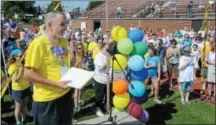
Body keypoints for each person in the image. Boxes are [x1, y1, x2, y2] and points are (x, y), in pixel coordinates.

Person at [24, 12, 74, 125]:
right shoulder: (38, 44)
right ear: (50, 25)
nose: (64, 27)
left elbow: (63, 65)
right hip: (47, 101)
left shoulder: (64, 41)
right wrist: (56, 84)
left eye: (65, 24)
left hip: (65, 96)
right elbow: (28, 74)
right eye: (61, 24)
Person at [8, 49, 30, 125]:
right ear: (15, 57)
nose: (22, 57)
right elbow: (16, 80)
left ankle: (24, 119)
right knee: (18, 106)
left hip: (26, 87)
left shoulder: (23, 63)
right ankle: (18, 121)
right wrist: (21, 71)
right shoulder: (12, 67)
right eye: (20, 56)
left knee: (24, 104)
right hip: (18, 90)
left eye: (23, 55)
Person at [93, 42, 111, 117]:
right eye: (106, 49)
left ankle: (106, 106)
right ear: (102, 48)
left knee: (107, 95)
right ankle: (97, 108)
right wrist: (106, 62)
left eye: (108, 49)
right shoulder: (98, 57)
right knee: (99, 96)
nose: (108, 50)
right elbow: (100, 67)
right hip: (100, 80)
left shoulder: (109, 55)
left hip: (108, 80)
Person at [74, 43, 85, 111]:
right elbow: (74, 66)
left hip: (82, 73)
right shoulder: (76, 55)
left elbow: (84, 65)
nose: (79, 49)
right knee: (76, 90)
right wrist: (78, 62)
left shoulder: (83, 55)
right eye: (78, 48)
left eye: (80, 48)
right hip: (77, 73)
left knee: (81, 90)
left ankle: (80, 101)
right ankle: (76, 105)